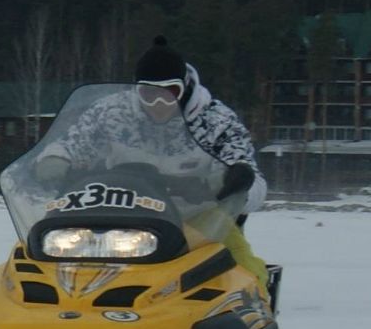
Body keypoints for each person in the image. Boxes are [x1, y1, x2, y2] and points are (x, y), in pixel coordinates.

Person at [36, 36, 268, 288]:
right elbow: (73, 143)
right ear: (137, 90)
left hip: (195, 218)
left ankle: (256, 305)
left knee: (243, 268)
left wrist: (231, 184)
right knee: (47, 249)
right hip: (117, 212)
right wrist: (54, 162)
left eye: (170, 92)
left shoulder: (216, 121)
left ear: (185, 87)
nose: (160, 103)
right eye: (150, 94)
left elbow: (253, 182)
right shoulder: (111, 112)